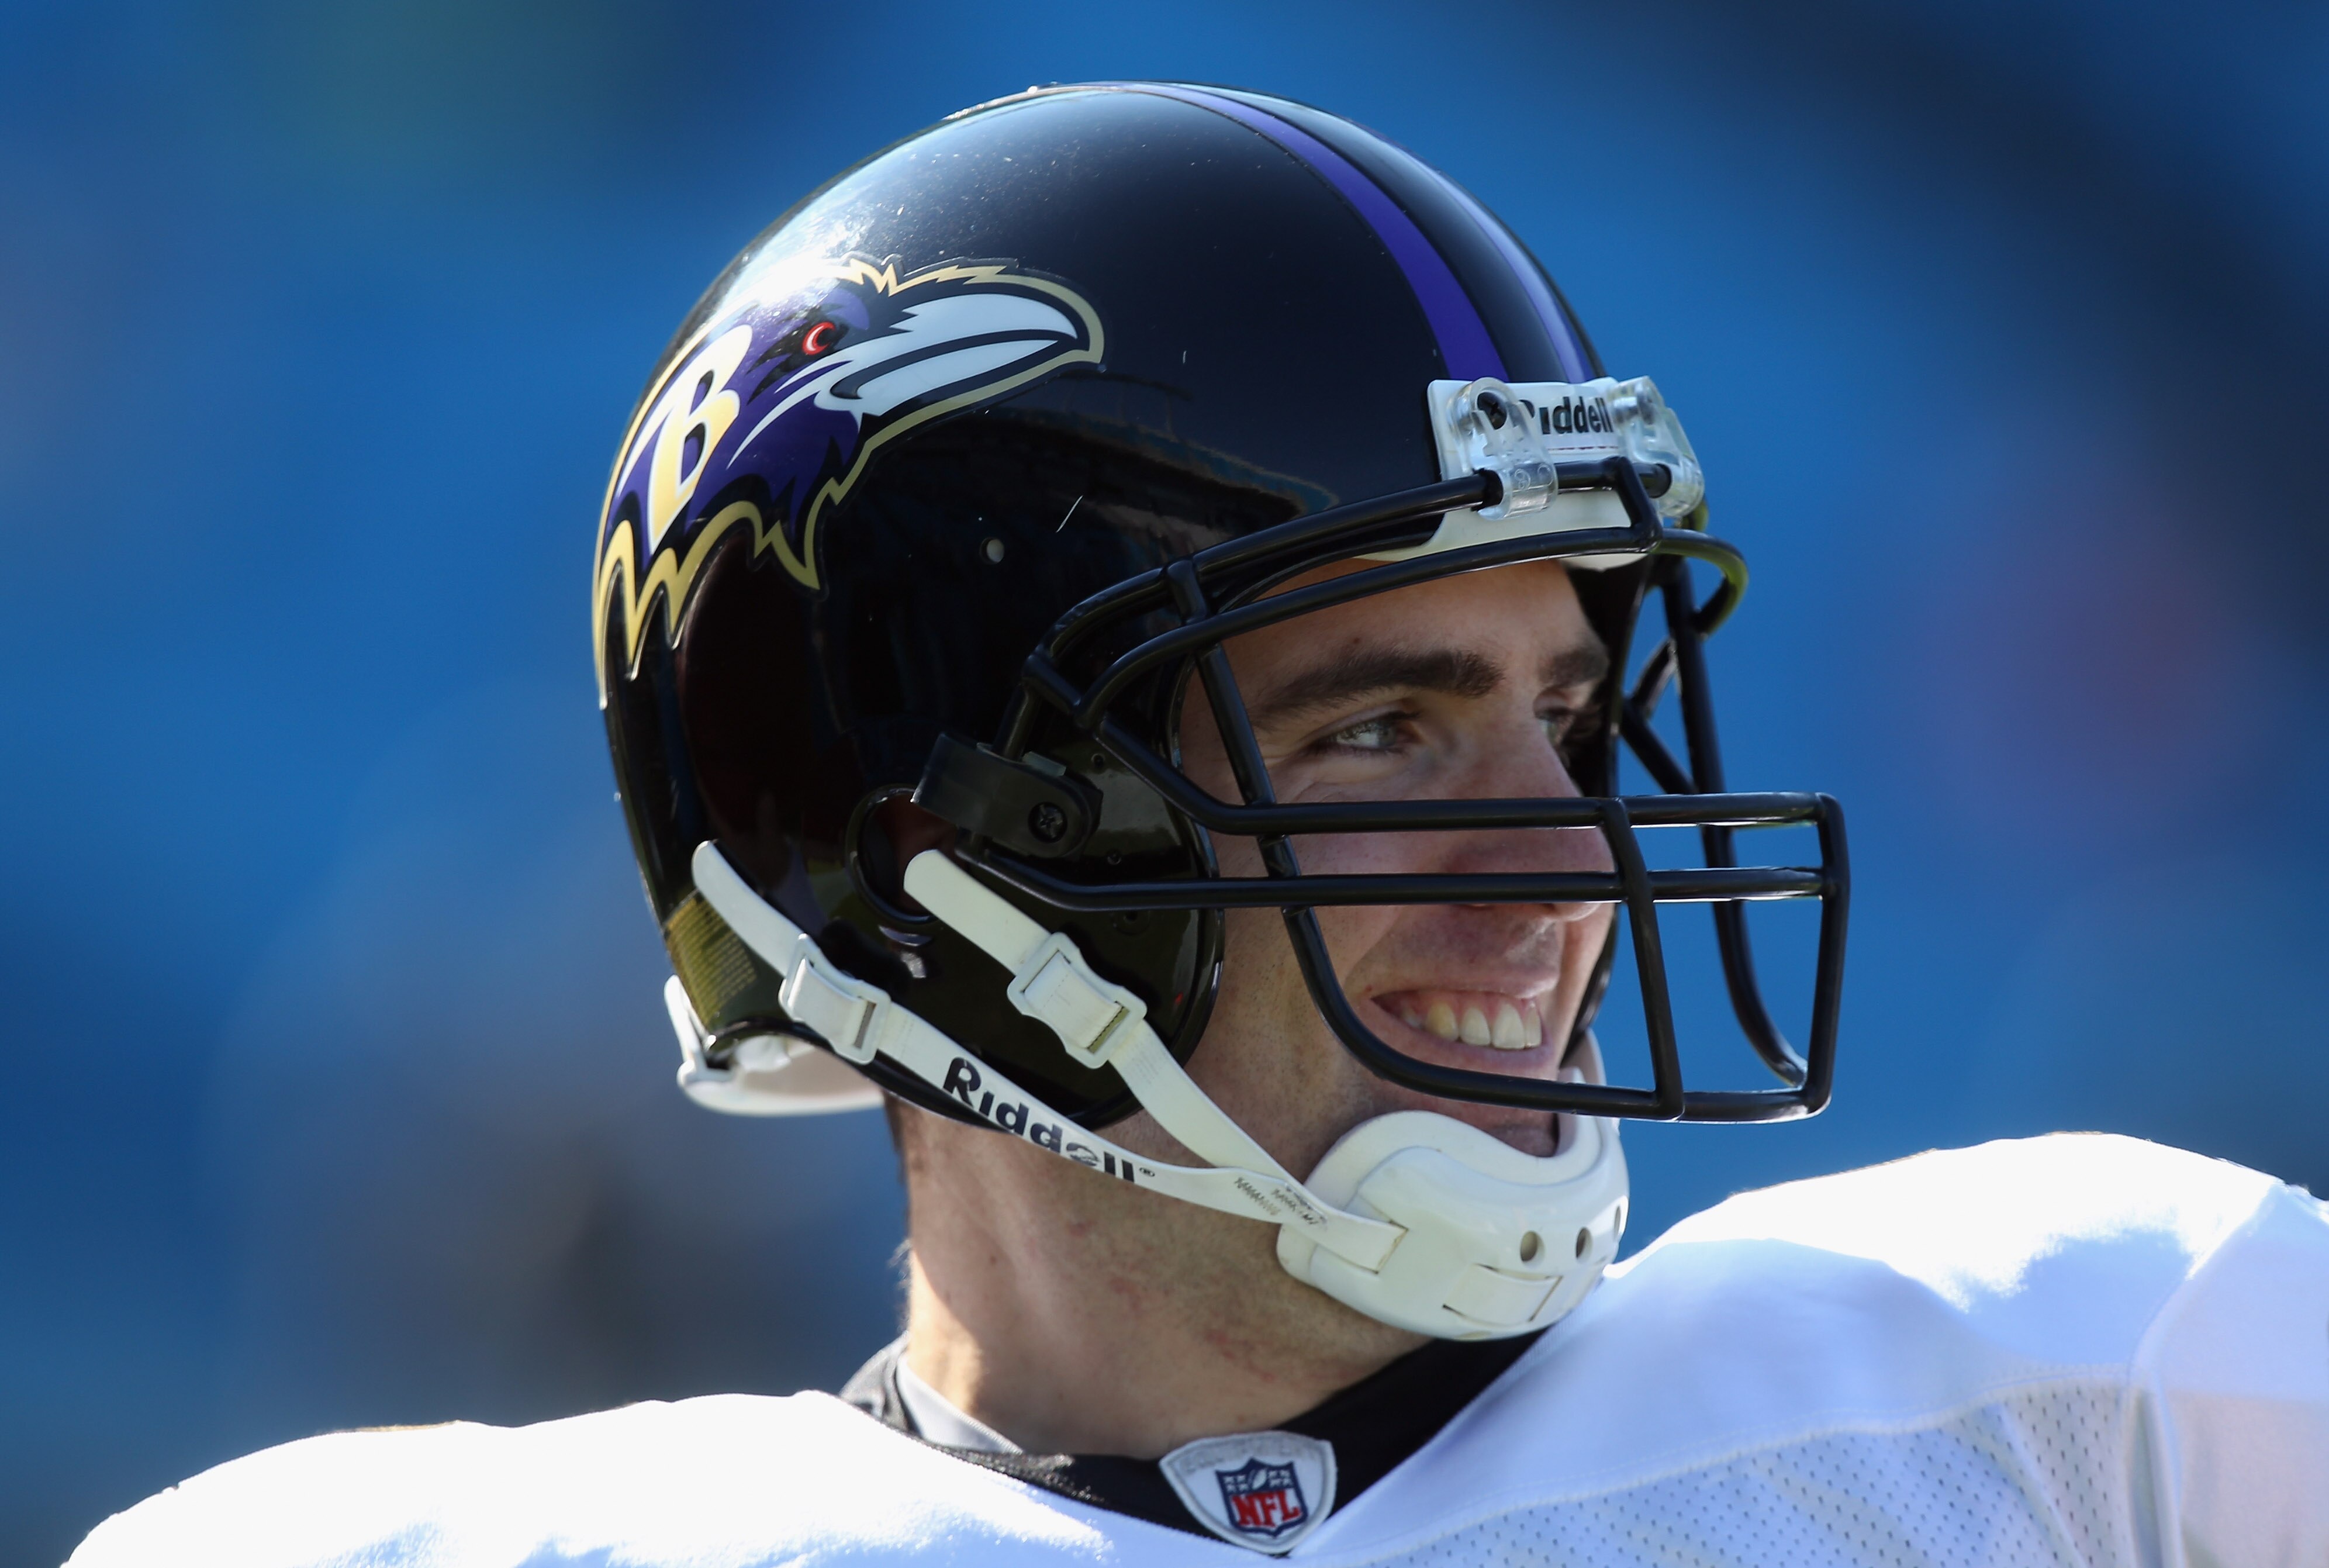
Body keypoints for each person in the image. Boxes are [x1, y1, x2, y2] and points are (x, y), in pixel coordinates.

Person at [74, 82, 2327, 1567]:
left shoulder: (2092, 1392)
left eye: (1566, 719)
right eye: (1384, 733)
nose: (1567, 870)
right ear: (945, 863)